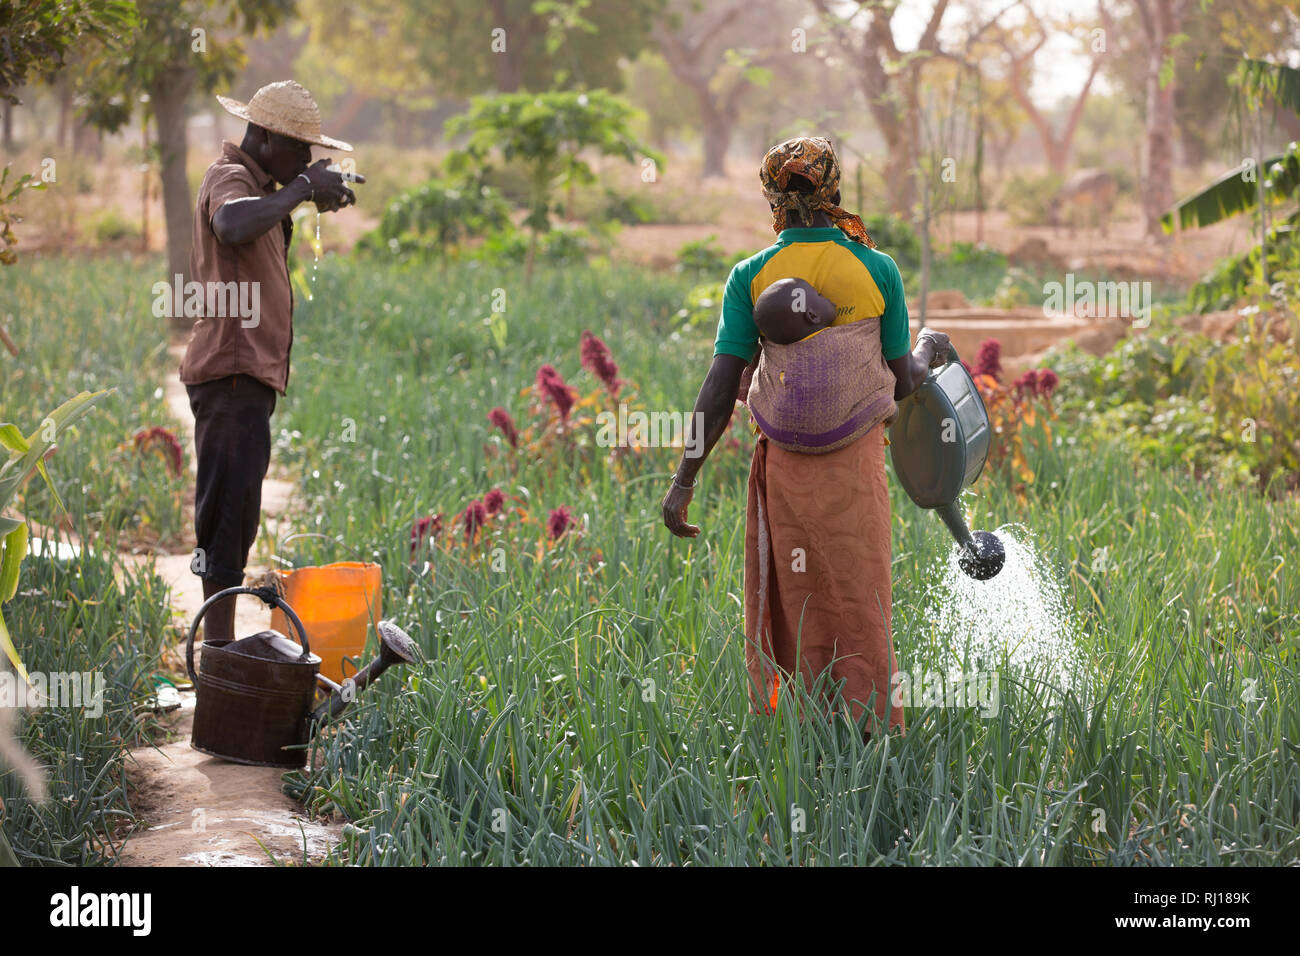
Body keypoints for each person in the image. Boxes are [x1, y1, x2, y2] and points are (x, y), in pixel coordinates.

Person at [662, 136, 950, 737]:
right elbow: (901, 382)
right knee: (859, 591)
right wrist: (931, 348)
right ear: (835, 189)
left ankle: (799, 726)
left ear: (772, 197)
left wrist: (683, 480)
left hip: (785, 470)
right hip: (855, 465)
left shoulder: (750, 276)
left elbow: (719, 390)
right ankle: (870, 730)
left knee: (794, 598)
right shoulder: (876, 269)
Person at [178, 80, 361, 643]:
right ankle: (220, 658)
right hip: (231, 377)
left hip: (247, 381)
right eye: (299, 149)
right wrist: (304, 187)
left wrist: (303, 192)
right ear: (263, 136)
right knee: (225, 522)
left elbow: (255, 220)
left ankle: (221, 654)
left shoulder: (260, 185)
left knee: (237, 518)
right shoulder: (228, 178)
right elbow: (232, 223)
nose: (306, 160)